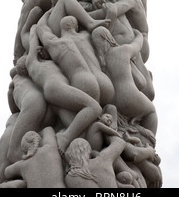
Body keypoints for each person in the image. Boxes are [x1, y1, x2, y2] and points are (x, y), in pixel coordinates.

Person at [25, 25, 102, 154]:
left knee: (78, 126)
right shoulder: (33, 62)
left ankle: (68, 144)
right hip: (56, 88)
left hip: (54, 92)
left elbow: (34, 42)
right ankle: (65, 138)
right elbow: (33, 39)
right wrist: (34, 27)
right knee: (94, 107)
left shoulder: (36, 65)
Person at [91, 27, 157, 135]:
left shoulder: (98, 61)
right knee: (151, 111)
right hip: (129, 96)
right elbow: (137, 45)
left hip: (112, 101)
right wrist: (139, 34)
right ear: (109, 38)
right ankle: (149, 145)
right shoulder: (122, 51)